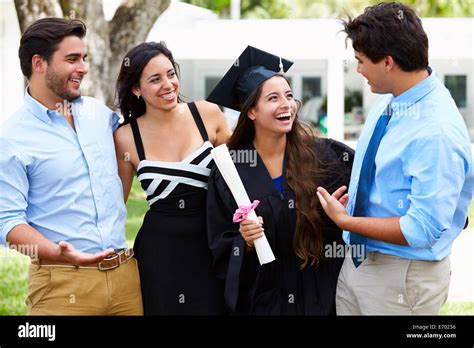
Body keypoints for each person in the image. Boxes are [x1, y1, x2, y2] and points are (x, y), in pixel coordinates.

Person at [316, 2, 473, 315]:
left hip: (402, 277)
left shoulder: (436, 131)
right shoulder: (393, 96)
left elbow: (422, 229)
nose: (358, 69)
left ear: (387, 62)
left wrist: (347, 221)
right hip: (360, 260)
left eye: (361, 61)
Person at [0, 18, 142, 315]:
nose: (84, 67)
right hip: (61, 285)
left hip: (126, 278)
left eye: (85, 58)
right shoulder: (11, 138)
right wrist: (58, 253)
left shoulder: (100, 115)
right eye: (72, 59)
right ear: (39, 63)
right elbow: (7, 222)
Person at [206, 46, 354, 315]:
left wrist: (343, 215)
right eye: (273, 98)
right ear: (251, 111)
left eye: (289, 95)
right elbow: (220, 243)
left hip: (322, 293)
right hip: (266, 299)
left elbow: (369, 198)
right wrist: (245, 242)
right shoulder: (230, 171)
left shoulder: (325, 156)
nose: (287, 104)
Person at [114, 41, 230, 315]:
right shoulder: (126, 137)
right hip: (160, 253)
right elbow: (116, 205)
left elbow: (241, 175)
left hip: (213, 243)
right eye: (155, 79)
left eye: (171, 74)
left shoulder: (208, 113)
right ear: (136, 89)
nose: (168, 84)